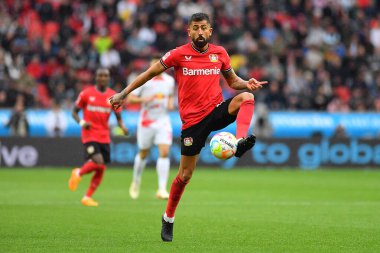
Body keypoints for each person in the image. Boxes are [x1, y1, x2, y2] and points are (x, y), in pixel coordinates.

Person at [109, 13, 267, 241]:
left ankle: (240, 141)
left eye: (204, 28)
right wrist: (124, 93)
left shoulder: (219, 53)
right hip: (193, 123)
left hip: (215, 110)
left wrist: (246, 82)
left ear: (210, 31)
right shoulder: (178, 54)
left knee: (247, 98)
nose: (200, 32)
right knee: (185, 175)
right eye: (196, 28)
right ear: (189, 31)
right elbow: (149, 73)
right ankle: (168, 219)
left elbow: (233, 82)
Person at [68, 68, 128, 207]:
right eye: (100, 75)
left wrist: (122, 127)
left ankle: (87, 197)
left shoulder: (113, 96)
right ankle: (79, 172)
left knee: (101, 167)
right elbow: (74, 112)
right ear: (96, 77)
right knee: (98, 162)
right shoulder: (86, 94)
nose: (103, 78)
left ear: (108, 78)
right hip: (89, 134)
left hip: (104, 136)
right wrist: (82, 123)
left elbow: (118, 117)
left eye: (105, 76)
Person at [127, 55, 175, 200]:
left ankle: (161, 189)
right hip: (146, 121)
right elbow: (130, 99)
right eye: (154, 63)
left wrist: (171, 103)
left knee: (165, 152)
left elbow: (171, 95)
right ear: (151, 64)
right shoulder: (144, 80)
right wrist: (143, 99)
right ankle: (136, 181)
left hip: (163, 120)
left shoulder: (169, 81)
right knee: (143, 153)